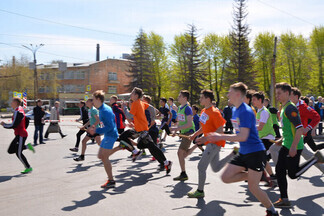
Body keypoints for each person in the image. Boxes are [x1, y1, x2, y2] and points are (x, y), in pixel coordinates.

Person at [206, 82, 279, 216]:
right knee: (226, 177)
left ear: (238, 94)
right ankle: (258, 175)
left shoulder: (245, 111)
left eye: (230, 92)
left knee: (253, 187)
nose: (228, 94)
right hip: (244, 152)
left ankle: (272, 210)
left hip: (256, 153)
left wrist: (220, 136)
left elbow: (243, 136)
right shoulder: (235, 110)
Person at [273, 83, 324, 208]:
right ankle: (284, 199)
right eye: (276, 93)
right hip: (287, 144)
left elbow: (300, 129)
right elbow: (288, 129)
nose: (277, 96)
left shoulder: (290, 108)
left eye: (279, 93)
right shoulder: (284, 107)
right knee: (280, 170)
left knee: (293, 174)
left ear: (287, 93)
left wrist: (294, 146)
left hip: (294, 145)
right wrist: (282, 139)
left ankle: (315, 159)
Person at [187, 90, 236, 198]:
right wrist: (195, 135)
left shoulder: (215, 112)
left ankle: (200, 191)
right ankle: (233, 154)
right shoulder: (204, 111)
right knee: (215, 167)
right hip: (210, 142)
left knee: (201, 166)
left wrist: (206, 137)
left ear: (208, 99)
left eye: (202, 98)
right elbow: (203, 127)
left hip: (215, 143)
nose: (200, 99)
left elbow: (220, 129)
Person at [119, 87, 172, 174]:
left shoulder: (136, 103)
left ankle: (166, 162)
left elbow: (128, 116)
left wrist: (124, 108)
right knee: (144, 145)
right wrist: (152, 119)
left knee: (152, 147)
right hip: (139, 129)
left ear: (136, 95)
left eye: (132, 93)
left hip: (142, 130)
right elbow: (152, 109)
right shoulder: (141, 102)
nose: (130, 95)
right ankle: (136, 152)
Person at [87, 90, 120, 188]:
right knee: (100, 156)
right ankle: (120, 147)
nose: (92, 101)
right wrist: (95, 128)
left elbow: (109, 126)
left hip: (110, 135)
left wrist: (97, 131)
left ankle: (111, 181)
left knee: (104, 157)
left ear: (98, 99)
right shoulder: (103, 109)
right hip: (107, 135)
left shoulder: (105, 110)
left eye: (93, 99)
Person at [1, 97, 35, 174]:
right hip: (19, 134)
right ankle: (27, 146)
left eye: (12, 101)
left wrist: (4, 125)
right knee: (10, 150)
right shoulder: (20, 109)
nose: (11, 103)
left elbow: (14, 125)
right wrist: (23, 128)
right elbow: (26, 120)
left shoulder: (18, 111)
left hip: (21, 135)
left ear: (16, 102)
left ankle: (28, 168)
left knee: (19, 153)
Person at [251, 92, 277, 186]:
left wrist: (249, 127)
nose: (252, 101)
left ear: (260, 100)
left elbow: (260, 127)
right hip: (262, 138)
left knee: (262, 159)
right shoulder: (258, 111)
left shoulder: (264, 112)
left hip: (268, 138)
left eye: (254, 99)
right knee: (262, 159)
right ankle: (271, 177)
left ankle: (271, 177)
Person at [170, 90, 196, 181]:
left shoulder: (188, 108)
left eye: (180, 96)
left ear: (185, 98)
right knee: (183, 154)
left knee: (180, 153)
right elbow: (178, 121)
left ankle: (183, 173)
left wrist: (176, 129)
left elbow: (189, 124)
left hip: (189, 131)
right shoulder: (180, 108)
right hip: (184, 132)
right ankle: (197, 145)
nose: (178, 97)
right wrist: (175, 132)